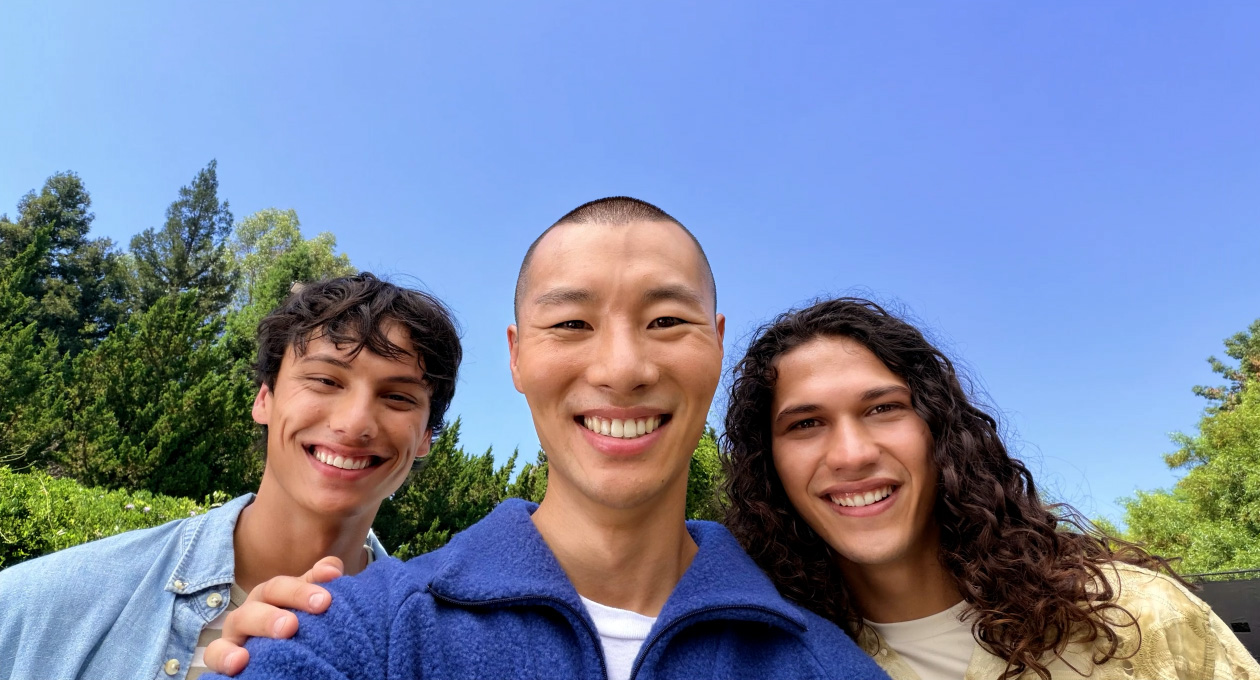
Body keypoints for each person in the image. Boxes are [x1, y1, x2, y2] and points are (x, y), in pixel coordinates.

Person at [205, 198, 889, 680]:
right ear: (517, 357)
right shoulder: (351, 636)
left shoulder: (829, 664)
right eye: (570, 325)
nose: (622, 369)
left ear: (714, 345)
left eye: (666, 321)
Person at [721, 297, 1260, 680]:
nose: (852, 454)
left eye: (883, 409)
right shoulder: (759, 659)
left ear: (939, 429)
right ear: (769, 466)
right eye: (805, 424)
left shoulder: (1138, 617)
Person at [0, 273, 462, 680]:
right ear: (265, 398)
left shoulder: (438, 650)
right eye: (325, 380)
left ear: (425, 438)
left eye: (398, 397)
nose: (355, 423)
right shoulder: (39, 605)